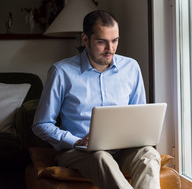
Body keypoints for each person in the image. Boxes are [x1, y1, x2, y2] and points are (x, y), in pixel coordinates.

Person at [32, 10, 161, 189]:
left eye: (115, 40)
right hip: (78, 152)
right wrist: (75, 141)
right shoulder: (61, 72)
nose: (110, 49)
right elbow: (41, 124)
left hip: (123, 149)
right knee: (101, 157)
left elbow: (139, 117)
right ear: (85, 40)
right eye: (102, 42)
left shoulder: (131, 67)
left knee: (149, 155)